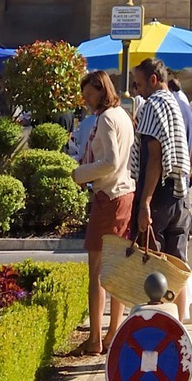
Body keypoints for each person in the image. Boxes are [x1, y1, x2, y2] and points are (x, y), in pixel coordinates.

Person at [74, 71, 135, 363]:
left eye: (89, 95)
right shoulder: (122, 115)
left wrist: (79, 173)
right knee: (116, 269)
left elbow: (109, 162)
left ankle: (96, 338)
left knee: (97, 272)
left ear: (101, 90)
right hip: (124, 194)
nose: (86, 101)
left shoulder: (108, 118)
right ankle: (112, 333)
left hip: (108, 195)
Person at [130, 57, 191, 261]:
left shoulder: (153, 105)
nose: (137, 91)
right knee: (177, 267)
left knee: (152, 266)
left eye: (139, 84)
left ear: (153, 79)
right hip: (180, 192)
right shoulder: (177, 103)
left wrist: (145, 203)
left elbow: (154, 158)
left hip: (159, 195)